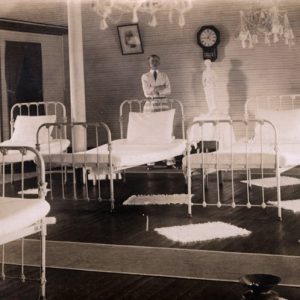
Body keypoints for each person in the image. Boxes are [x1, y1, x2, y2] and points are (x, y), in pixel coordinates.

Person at [141, 54, 175, 168]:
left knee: (165, 129)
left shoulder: (164, 75)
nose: (154, 63)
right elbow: (146, 92)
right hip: (150, 104)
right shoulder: (145, 76)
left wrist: (155, 90)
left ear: (159, 63)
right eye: (152, 61)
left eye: (156, 61)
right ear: (149, 63)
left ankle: (169, 159)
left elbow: (169, 90)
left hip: (163, 103)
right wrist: (160, 87)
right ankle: (151, 159)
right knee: (150, 130)